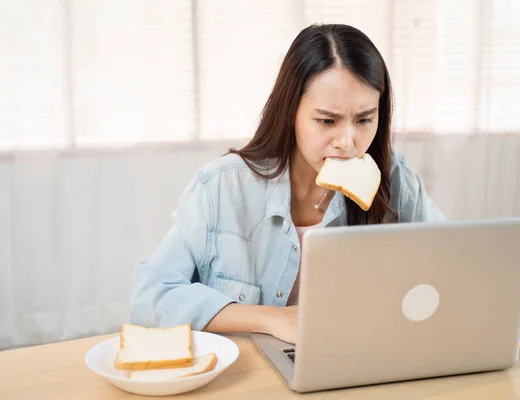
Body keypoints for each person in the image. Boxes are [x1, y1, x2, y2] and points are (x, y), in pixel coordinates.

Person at [129, 23, 445, 344]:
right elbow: (149, 298)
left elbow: (454, 266)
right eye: (327, 121)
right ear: (290, 111)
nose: (348, 142)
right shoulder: (221, 188)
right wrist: (272, 319)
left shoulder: (394, 178)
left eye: (364, 119)